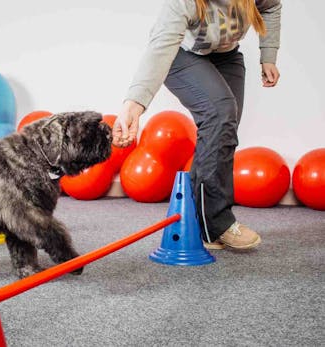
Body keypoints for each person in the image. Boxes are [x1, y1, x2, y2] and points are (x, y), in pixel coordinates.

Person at [113, 0, 282, 249]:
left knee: (223, 131)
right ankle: (217, 224)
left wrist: (268, 54)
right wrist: (134, 105)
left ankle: (194, 221)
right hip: (181, 56)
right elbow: (161, 46)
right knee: (221, 113)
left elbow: (271, 6)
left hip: (227, 56)